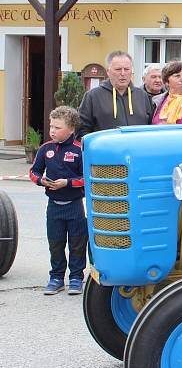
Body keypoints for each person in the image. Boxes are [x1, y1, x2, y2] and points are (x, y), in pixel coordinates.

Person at [28, 106, 87, 295]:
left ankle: (76, 278)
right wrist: (41, 180)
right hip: (54, 206)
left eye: (57, 128)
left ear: (71, 129)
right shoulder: (46, 149)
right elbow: (33, 171)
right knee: (56, 243)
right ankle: (56, 277)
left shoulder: (80, 151)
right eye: (51, 126)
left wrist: (67, 183)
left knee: (77, 244)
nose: (52, 131)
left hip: (76, 206)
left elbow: (88, 178)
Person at [77, 51, 153, 139]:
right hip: (106, 151)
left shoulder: (142, 96)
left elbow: (150, 127)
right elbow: (82, 131)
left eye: (127, 69)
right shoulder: (93, 96)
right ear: (108, 72)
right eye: (118, 69)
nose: (123, 73)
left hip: (137, 151)